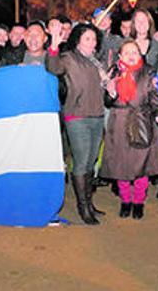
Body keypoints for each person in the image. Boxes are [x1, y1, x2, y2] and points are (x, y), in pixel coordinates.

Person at [46, 21, 108, 225]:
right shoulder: (69, 58)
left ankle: (89, 202)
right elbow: (53, 67)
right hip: (77, 116)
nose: (92, 42)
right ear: (78, 40)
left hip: (97, 116)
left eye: (94, 39)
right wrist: (54, 44)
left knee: (91, 162)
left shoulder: (96, 63)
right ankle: (83, 207)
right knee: (81, 162)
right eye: (87, 38)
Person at [100, 40, 158, 220]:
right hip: (119, 122)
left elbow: (154, 97)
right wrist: (111, 93)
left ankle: (138, 201)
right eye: (127, 52)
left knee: (142, 165)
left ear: (140, 55)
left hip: (141, 121)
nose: (131, 55)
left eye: (135, 52)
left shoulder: (148, 72)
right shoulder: (114, 72)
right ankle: (125, 200)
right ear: (120, 56)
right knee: (121, 165)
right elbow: (106, 101)